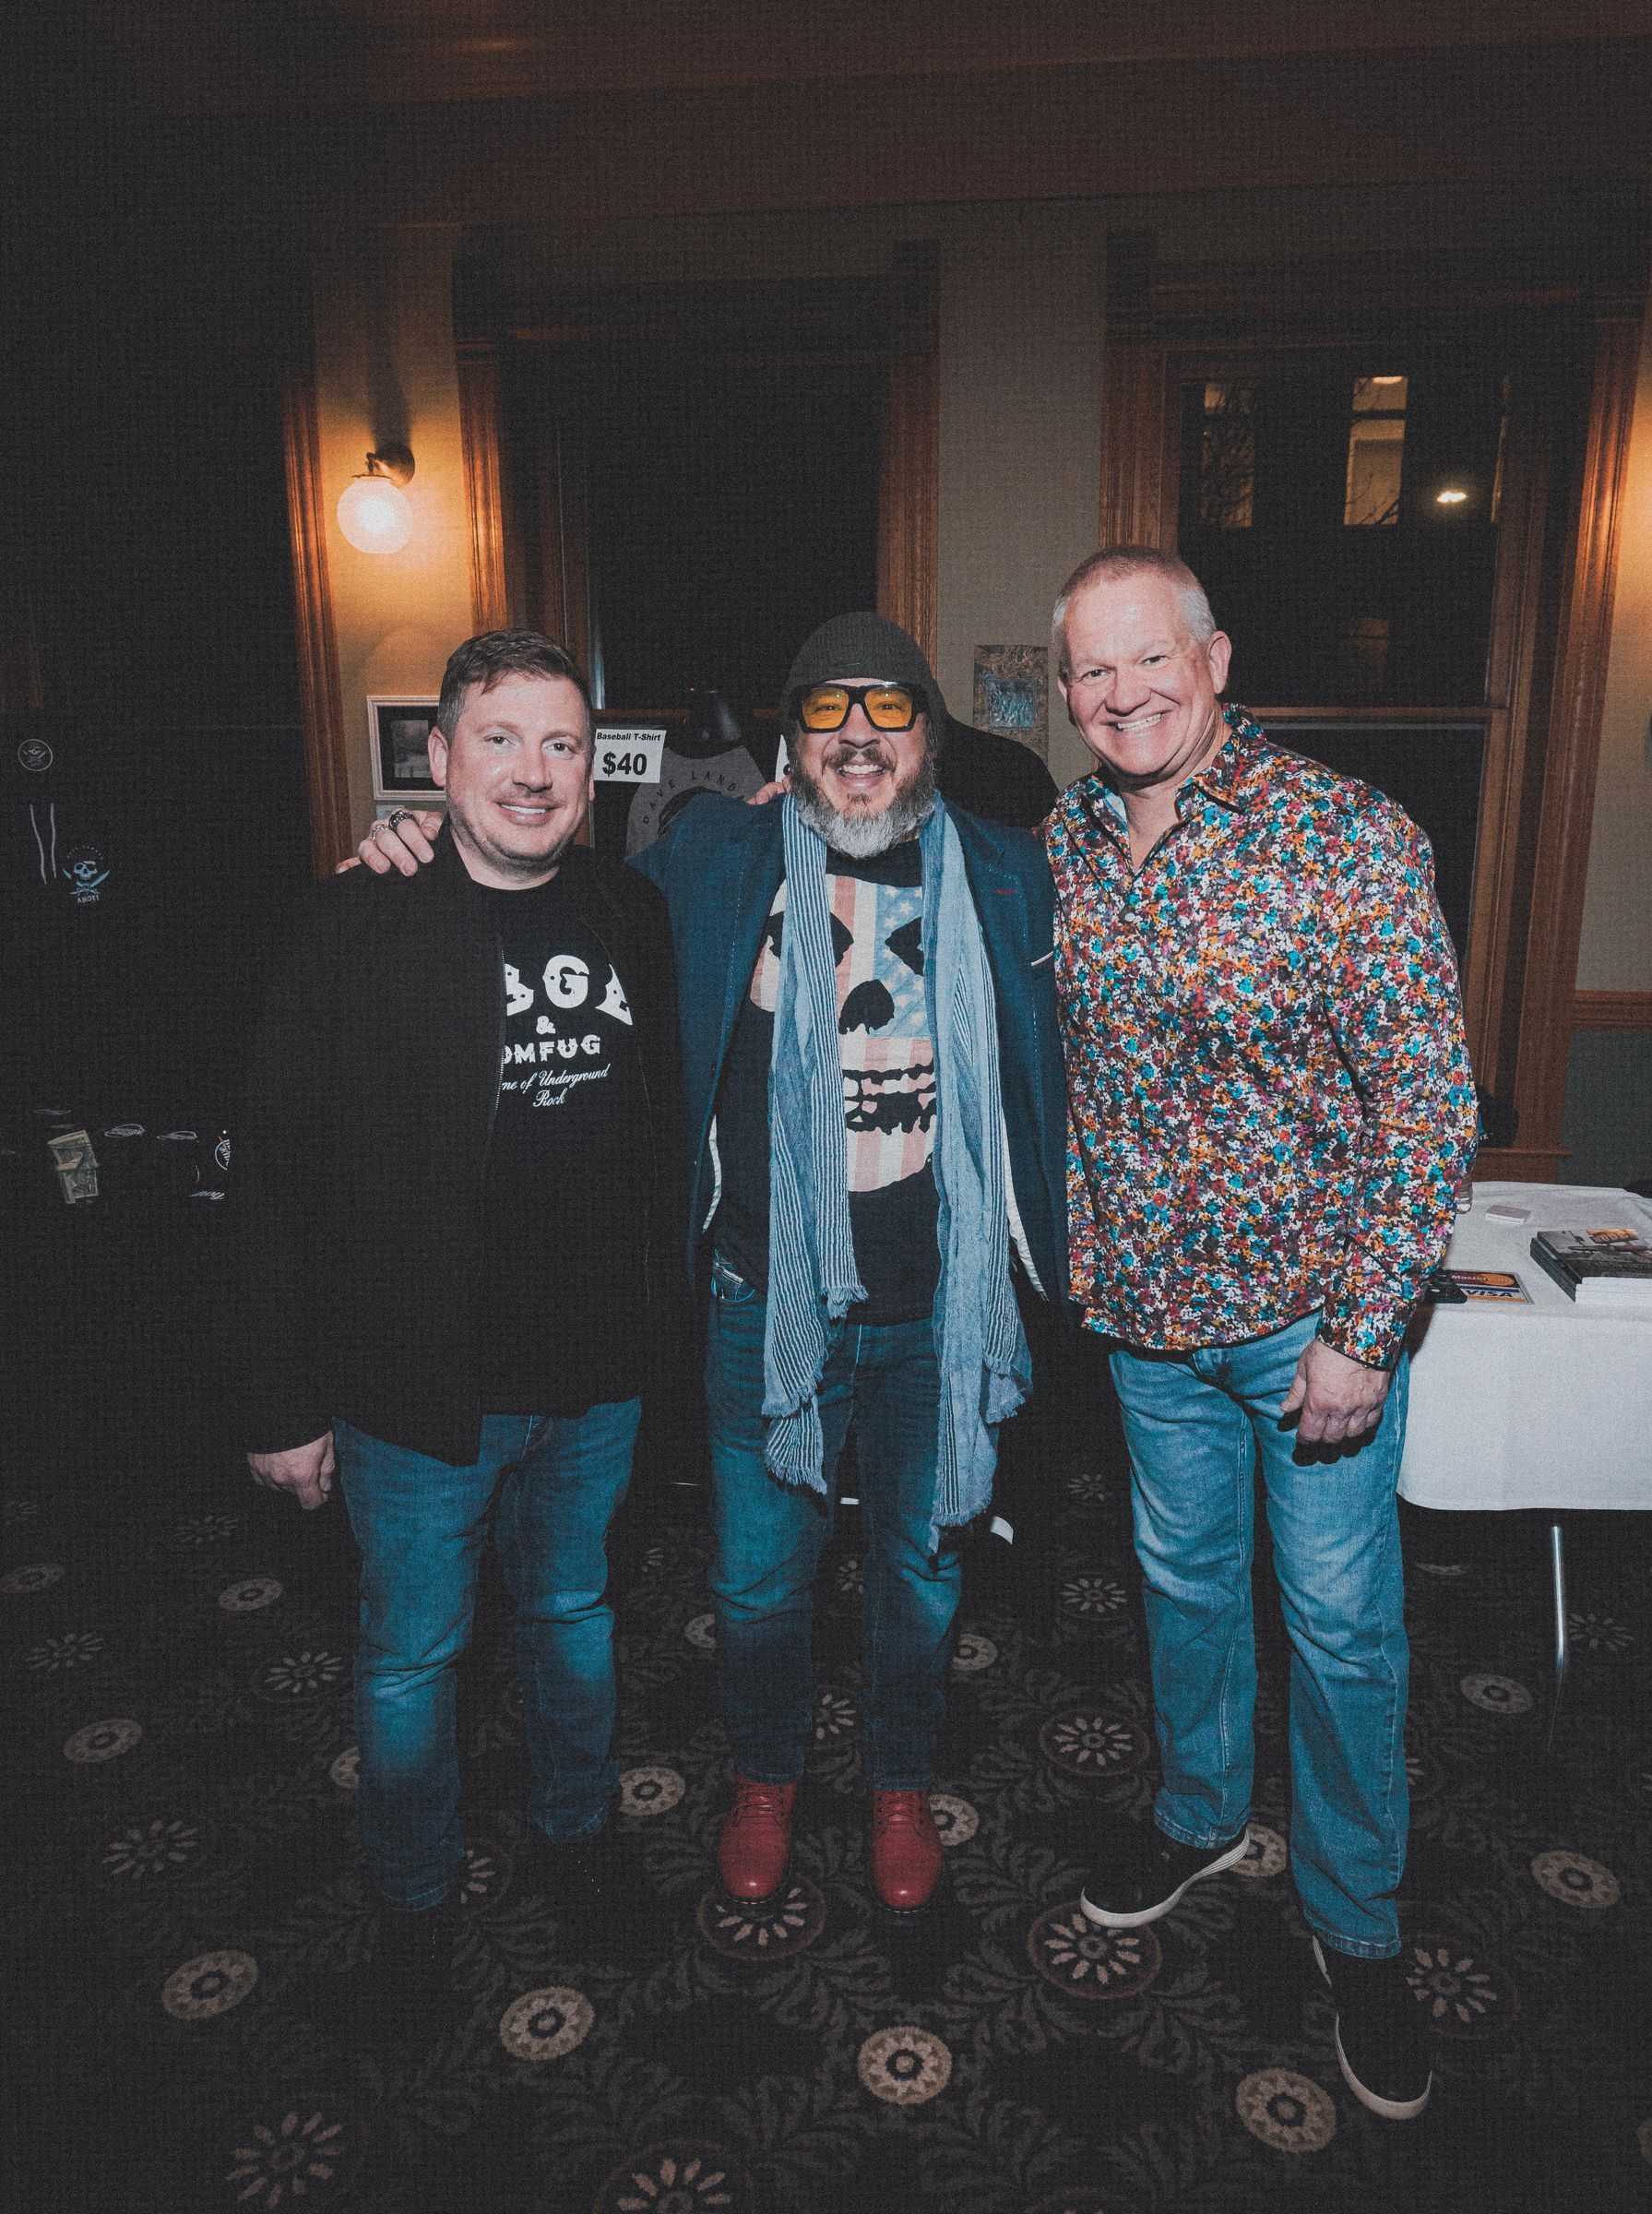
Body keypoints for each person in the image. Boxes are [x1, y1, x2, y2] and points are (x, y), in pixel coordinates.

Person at [357, 613, 1069, 1916]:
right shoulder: (709, 859)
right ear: (789, 744)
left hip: (941, 1312)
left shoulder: (1014, 872)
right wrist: (412, 845)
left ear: (931, 735)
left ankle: (900, 1783)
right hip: (762, 1300)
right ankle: (765, 1781)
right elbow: (536, 885)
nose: (860, 736)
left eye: (891, 708)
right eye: (827, 710)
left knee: (920, 1575)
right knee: (755, 1584)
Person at [1044, 546, 1478, 2121]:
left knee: (1343, 1628)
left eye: (1150, 658)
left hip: (1310, 1335)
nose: (1124, 693)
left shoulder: (1345, 834)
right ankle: (1201, 1811)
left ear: (1215, 660)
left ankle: (1357, 1921)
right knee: (1182, 1588)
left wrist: (1365, 1331)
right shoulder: (1066, 841)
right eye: (1093, 669)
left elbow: (1429, 1105)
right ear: (1066, 691)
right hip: (1146, 1329)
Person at [234, 629, 683, 2000]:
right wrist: (278, 1400)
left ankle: (577, 1838)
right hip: (419, 1392)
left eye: (562, 744)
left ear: (591, 769)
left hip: (596, 1382)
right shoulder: (352, 923)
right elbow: (273, 1177)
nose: (534, 772)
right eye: (500, 739)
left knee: (574, 1620)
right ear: (438, 758)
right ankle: (415, 1900)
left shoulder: (632, 912)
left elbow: (663, 1137)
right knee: (412, 1660)